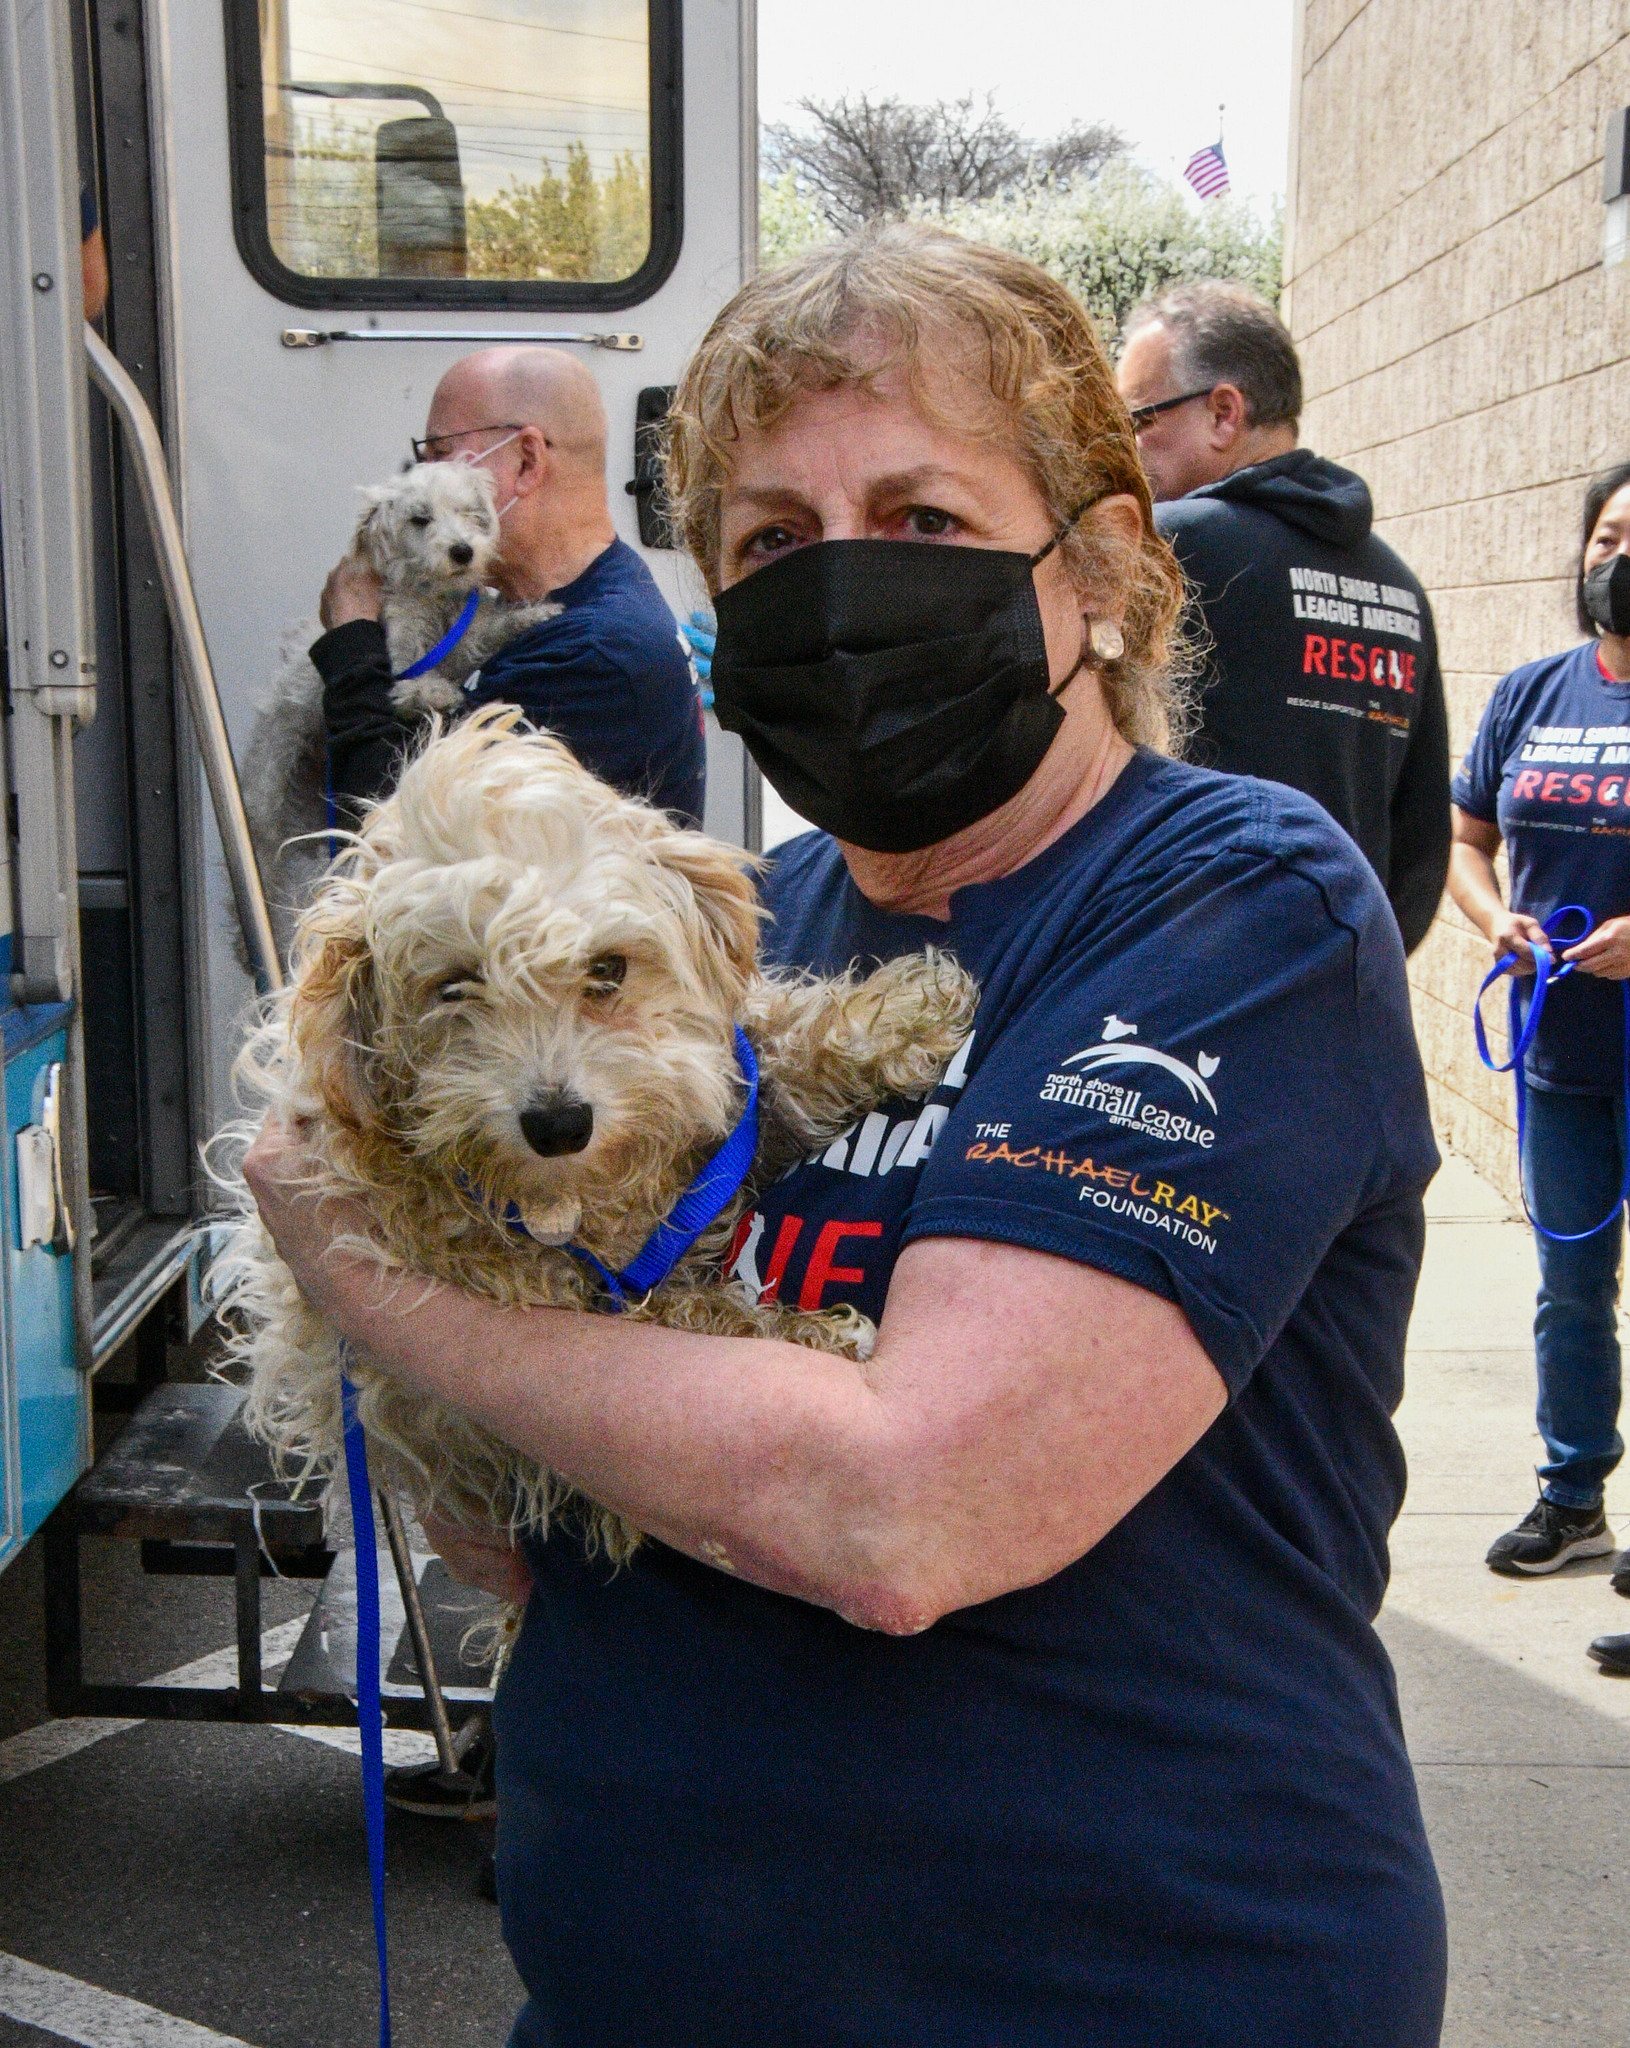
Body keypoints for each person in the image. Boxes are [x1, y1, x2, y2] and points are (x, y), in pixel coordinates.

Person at [245, 226, 1447, 2046]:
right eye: (774, 542)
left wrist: (369, 1280)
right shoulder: (737, 924)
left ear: (1105, 570)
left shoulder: (1238, 905)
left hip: (1122, 1991)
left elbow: (902, 1504)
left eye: (928, 521)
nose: (844, 585)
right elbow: (533, 1509)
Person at [1117, 282, 1450, 953]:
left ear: (1223, 412)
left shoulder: (1166, 547)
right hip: (1335, 987)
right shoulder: (1400, 588)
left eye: (1138, 420)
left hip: (1177, 985)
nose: (1126, 450)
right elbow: (1421, 844)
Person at [1449, 461, 1630, 1580]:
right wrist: (1497, 923)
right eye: (1606, 536)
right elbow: (1467, 842)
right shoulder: (1529, 694)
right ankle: (1572, 1496)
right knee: (1570, 1288)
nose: (1617, 559)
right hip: (1560, 1053)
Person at [312, 344, 704, 827]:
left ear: (525, 461)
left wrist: (350, 640)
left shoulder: (595, 657)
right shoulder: (562, 606)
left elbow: (394, 828)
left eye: (440, 453)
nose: (426, 474)